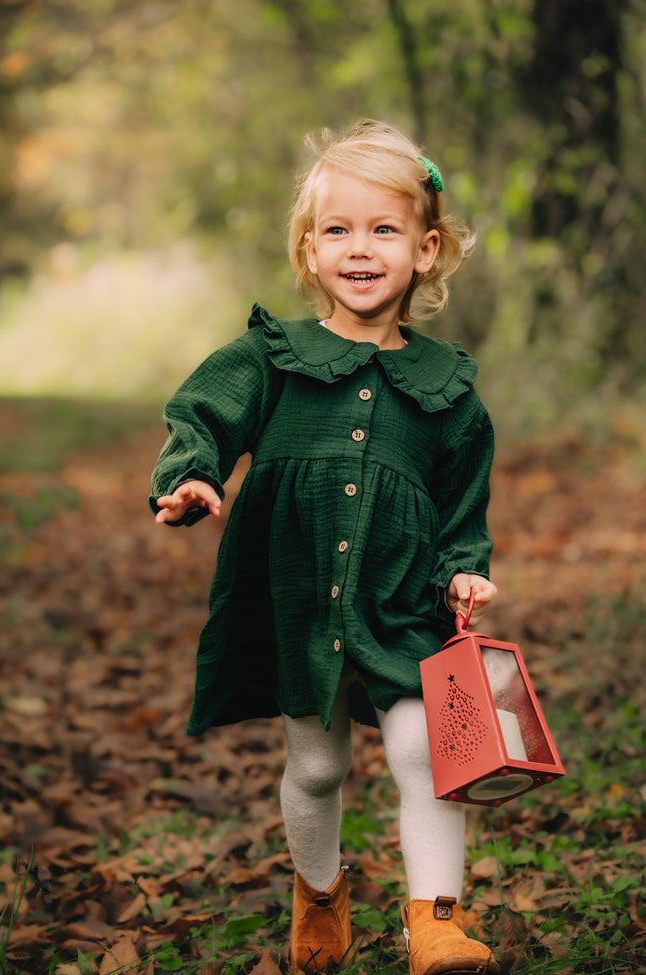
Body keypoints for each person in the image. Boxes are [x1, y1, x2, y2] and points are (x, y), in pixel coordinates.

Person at [150, 120, 499, 975]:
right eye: (338, 229)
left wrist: (464, 568)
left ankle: (436, 922)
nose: (360, 248)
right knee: (317, 764)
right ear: (310, 251)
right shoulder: (274, 356)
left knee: (426, 752)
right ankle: (319, 897)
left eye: (384, 230)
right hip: (301, 598)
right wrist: (195, 475)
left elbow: (463, 503)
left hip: (403, 601)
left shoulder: (448, 393)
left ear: (426, 250)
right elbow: (204, 410)